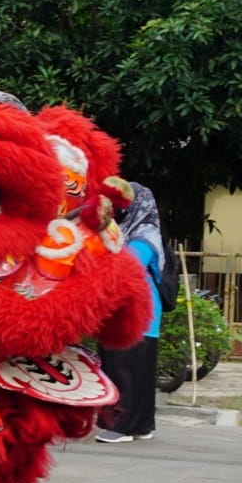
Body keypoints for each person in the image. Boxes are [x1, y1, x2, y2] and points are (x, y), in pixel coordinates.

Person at [96, 181, 164, 443]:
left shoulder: (146, 233)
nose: (117, 208)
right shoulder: (123, 231)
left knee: (123, 369)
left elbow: (129, 265)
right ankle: (143, 425)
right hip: (124, 312)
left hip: (136, 313)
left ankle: (120, 426)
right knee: (135, 370)